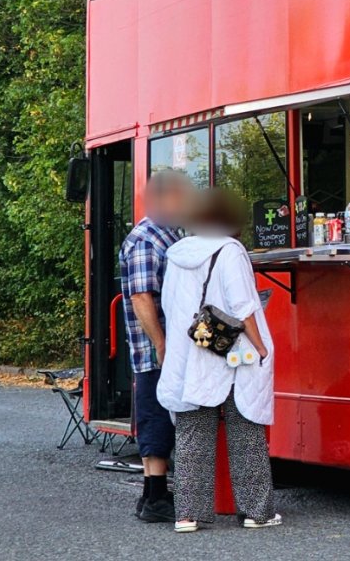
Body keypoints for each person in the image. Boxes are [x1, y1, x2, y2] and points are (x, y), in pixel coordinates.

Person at [159, 188, 280, 533]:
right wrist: (261, 348)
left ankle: (187, 514)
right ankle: (256, 512)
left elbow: (168, 304)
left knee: (192, 434)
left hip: (193, 348)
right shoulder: (230, 251)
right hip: (230, 353)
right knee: (245, 428)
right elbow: (243, 306)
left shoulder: (177, 253)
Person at [119, 169, 193, 523]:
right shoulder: (147, 239)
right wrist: (160, 344)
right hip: (153, 350)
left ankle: (153, 494)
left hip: (165, 345)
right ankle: (156, 498)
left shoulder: (168, 233)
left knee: (160, 414)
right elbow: (141, 297)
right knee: (157, 416)